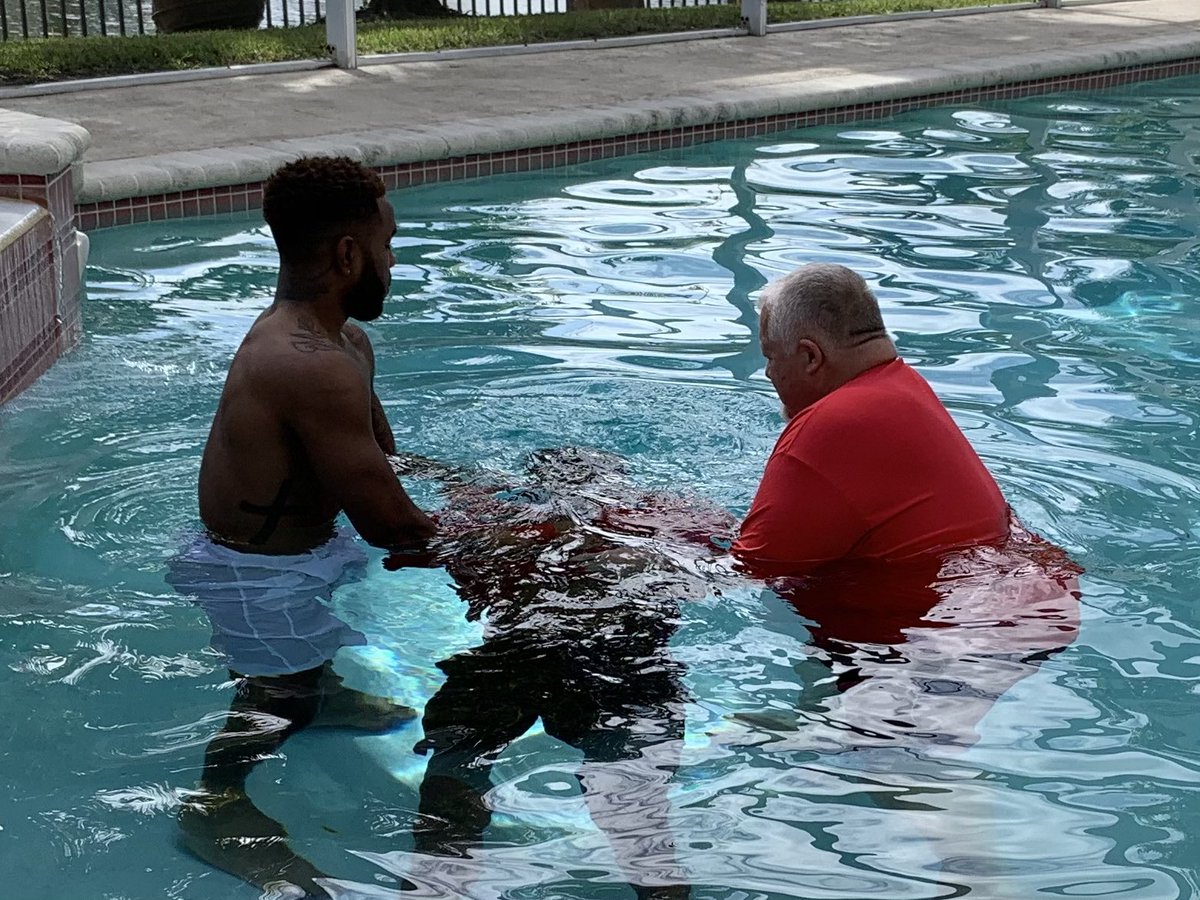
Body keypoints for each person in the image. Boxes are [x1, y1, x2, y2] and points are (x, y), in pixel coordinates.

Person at [169, 156, 436, 899]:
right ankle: (213, 803)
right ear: (347, 255)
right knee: (274, 695)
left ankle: (321, 694)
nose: (392, 261)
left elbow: (381, 467)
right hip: (254, 572)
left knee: (303, 671)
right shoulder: (304, 362)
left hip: (311, 546)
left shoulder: (346, 345)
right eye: (388, 246)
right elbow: (393, 525)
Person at [391, 447, 735, 900]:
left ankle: (436, 882)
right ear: (619, 478)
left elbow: (404, 551)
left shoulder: (493, 520)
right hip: (627, 662)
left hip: (512, 656)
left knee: (454, 777)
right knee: (637, 813)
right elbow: (731, 569)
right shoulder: (668, 516)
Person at [733, 263, 1010, 577]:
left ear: (811, 357)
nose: (768, 373)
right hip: (1031, 599)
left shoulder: (826, 428)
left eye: (771, 357)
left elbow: (749, 571)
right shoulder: (908, 389)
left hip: (950, 620)